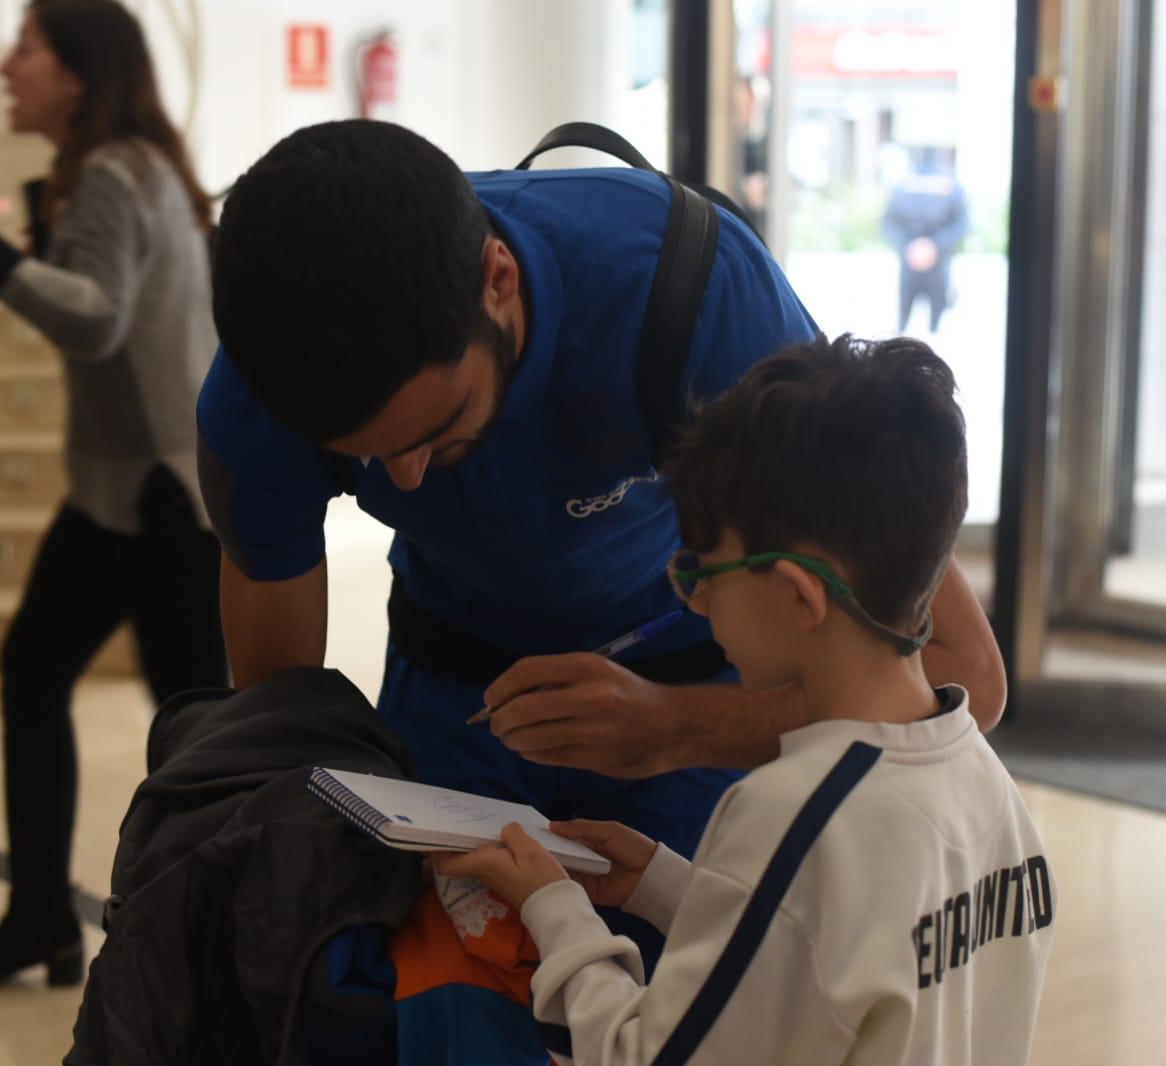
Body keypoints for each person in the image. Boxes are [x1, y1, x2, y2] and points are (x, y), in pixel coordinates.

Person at [200, 120, 1007, 963]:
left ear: (497, 281)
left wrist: (678, 729)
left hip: (693, 687)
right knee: (448, 1012)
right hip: (451, 693)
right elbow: (281, 728)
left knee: (688, 999)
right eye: (361, 458)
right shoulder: (264, 393)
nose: (403, 481)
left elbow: (961, 677)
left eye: (436, 435)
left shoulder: (696, 296)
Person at [439, 334, 1056, 1066]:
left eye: (706, 570)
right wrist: (665, 885)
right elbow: (837, 958)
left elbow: (645, 1057)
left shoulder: (792, 811)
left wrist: (553, 908)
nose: (696, 602)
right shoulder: (987, 789)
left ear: (797, 595)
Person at [0, 0, 228, 988]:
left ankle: (223, 946)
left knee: (200, 733)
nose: (7, 67)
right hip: (125, 494)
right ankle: (43, 916)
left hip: (161, 503)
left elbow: (94, 321)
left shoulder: (116, 173)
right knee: (46, 678)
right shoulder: (122, 166)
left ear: (78, 74)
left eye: (27, 49)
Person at [882, 147, 969, 333]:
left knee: (937, 315)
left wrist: (933, 246)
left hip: (936, 260)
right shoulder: (904, 184)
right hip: (913, 259)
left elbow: (961, 222)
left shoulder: (947, 185)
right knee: (904, 320)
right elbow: (889, 222)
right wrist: (910, 247)